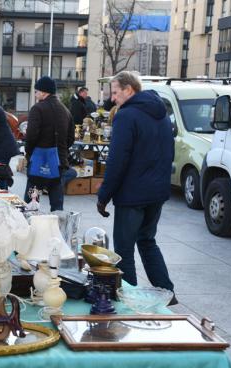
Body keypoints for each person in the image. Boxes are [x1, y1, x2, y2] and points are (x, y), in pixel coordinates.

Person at [96, 71, 176, 301]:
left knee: (124, 250)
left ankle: (127, 299)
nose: (112, 98)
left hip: (133, 195)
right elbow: (168, 151)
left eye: (115, 92)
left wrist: (104, 195)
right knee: (148, 241)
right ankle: (167, 292)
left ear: (129, 90)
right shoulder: (161, 113)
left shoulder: (126, 115)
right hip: (156, 192)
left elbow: (117, 159)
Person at [24, 76, 74, 211]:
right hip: (59, 164)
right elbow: (71, 138)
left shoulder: (37, 109)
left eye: (36, 91)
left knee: (31, 202)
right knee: (57, 205)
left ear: (44, 92)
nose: (35, 94)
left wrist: (29, 153)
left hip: (39, 163)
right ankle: (56, 229)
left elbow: (31, 136)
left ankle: (31, 228)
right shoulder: (66, 110)